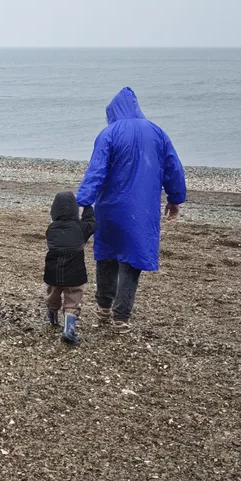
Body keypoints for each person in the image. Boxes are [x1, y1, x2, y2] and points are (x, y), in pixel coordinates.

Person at [75, 87, 186, 334]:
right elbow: (173, 168)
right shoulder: (157, 133)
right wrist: (175, 198)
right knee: (132, 260)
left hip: (109, 208)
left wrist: (83, 201)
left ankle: (104, 307)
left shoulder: (109, 133)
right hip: (142, 209)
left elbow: (96, 171)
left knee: (107, 255)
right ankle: (121, 317)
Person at [43, 191, 96, 346]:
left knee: (53, 293)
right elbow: (92, 224)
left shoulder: (51, 228)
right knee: (73, 299)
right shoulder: (81, 228)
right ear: (74, 209)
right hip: (75, 272)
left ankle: (52, 315)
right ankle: (69, 330)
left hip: (53, 271)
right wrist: (87, 206)